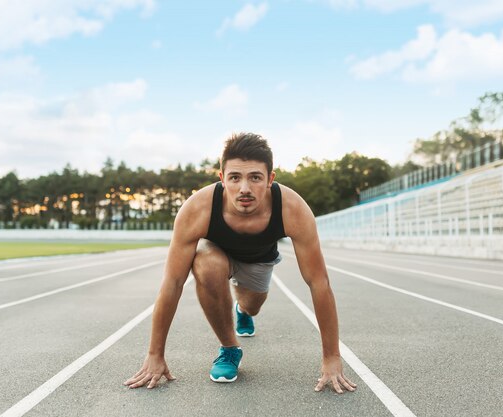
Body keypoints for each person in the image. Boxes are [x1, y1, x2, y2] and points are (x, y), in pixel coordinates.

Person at [123, 133, 357, 394]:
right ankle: (229, 349)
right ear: (222, 179)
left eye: (255, 177)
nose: (244, 188)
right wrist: (155, 354)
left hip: (259, 262)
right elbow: (173, 282)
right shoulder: (197, 209)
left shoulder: (292, 209)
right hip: (217, 254)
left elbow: (318, 282)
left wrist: (332, 358)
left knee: (252, 306)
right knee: (205, 262)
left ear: (270, 179)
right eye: (235, 177)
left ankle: (242, 311)